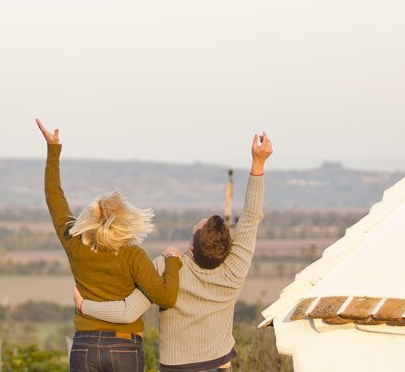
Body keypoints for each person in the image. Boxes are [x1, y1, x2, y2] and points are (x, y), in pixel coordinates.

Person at [75, 132, 271, 371]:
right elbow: (251, 216)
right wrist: (258, 162)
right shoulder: (234, 268)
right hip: (218, 365)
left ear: (192, 246)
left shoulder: (168, 267)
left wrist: (84, 305)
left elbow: (127, 312)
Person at [37, 118, 183, 372]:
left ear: (88, 219)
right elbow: (167, 297)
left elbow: (54, 197)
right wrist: (172, 261)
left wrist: (53, 150)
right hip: (124, 345)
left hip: (84, 346)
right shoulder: (133, 255)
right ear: (125, 221)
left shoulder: (74, 243)